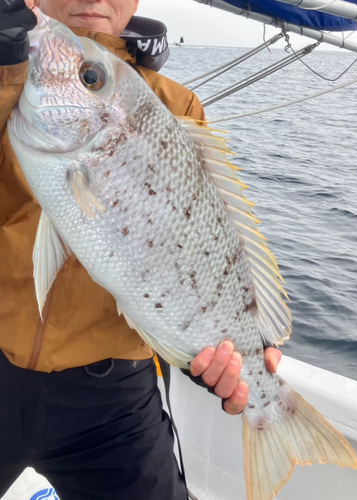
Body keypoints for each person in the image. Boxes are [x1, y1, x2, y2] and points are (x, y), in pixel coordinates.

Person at [0, 1, 282, 499]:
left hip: (111, 398)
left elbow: (206, 244)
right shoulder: (11, 71)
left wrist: (210, 360)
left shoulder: (178, 106)